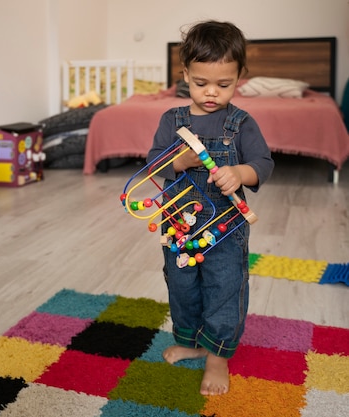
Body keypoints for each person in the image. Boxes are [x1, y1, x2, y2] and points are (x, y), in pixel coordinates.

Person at [146, 21, 274, 395]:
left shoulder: (242, 123)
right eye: (201, 83)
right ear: (185, 74)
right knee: (182, 286)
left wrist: (240, 172)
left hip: (226, 228)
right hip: (179, 226)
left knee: (225, 287)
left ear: (240, 78)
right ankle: (191, 341)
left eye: (224, 84)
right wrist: (180, 162)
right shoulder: (172, 121)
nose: (212, 93)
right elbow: (154, 163)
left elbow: (263, 163)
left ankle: (218, 356)